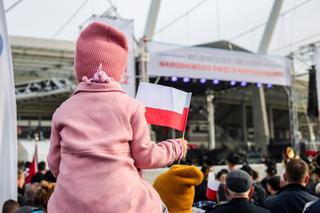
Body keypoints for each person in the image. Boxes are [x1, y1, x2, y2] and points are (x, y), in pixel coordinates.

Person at [47, 22, 188, 213]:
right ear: (119, 71)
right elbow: (146, 157)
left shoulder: (63, 110)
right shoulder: (131, 107)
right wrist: (176, 147)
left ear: (79, 68)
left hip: (69, 207)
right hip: (125, 206)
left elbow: (55, 165)